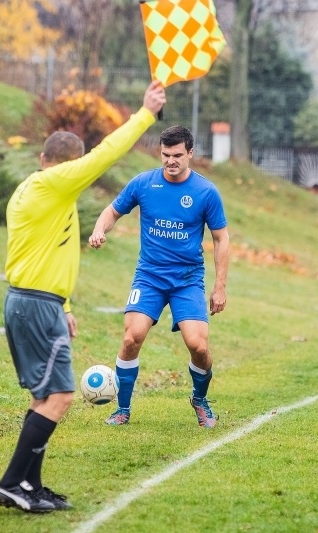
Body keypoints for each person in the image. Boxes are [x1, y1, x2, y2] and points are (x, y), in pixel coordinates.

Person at [0, 81, 166, 513]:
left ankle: (29, 486)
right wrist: (145, 114)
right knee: (62, 396)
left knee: (42, 398)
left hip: (36, 301)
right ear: (64, 168)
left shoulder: (36, 189)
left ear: (41, 158)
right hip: (34, 304)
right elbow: (104, 156)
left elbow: (47, 250)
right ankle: (12, 483)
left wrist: (65, 307)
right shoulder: (53, 185)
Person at [88, 125, 229, 429]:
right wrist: (100, 229)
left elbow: (221, 238)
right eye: (165, 155)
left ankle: (199, 399)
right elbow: (112, 211)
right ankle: (122, 409)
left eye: (177, 155)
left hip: (187, 280)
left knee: (199, 347)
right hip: (149, 277)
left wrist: (220, 287)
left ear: (190, 153)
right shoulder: (143, 184)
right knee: (131, 337)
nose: (170, 161)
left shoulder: (205, 192)